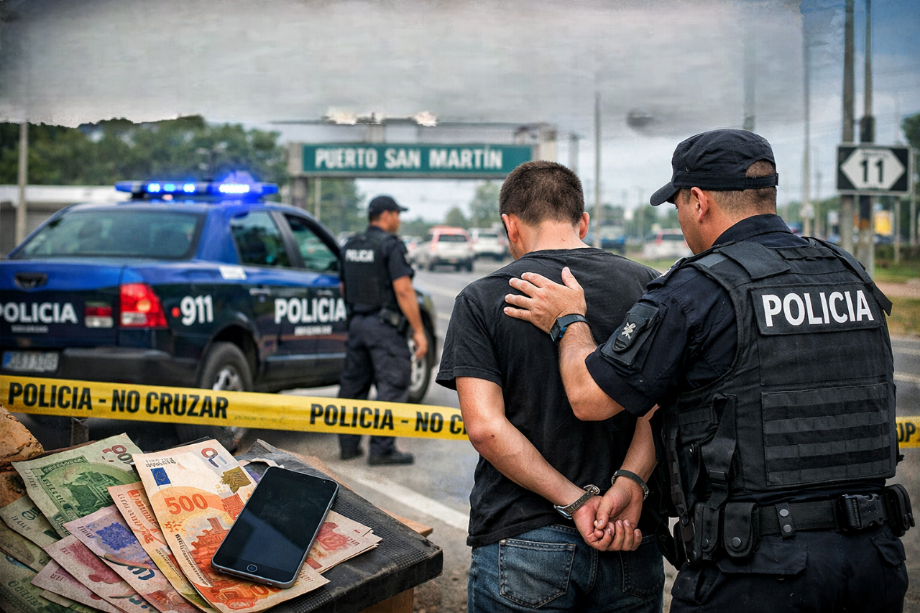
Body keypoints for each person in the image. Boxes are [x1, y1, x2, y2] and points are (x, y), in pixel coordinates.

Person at [503, 129, 913, 612]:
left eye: (677, 206)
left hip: (759, 571)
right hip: (874, 559)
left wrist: (569, 320)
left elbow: (589, 396)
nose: (680, 222)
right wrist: (634, 482)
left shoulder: (700, 288)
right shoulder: (849, 274)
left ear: (698, 201)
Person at [436, 161, 665, 613]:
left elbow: (485, 428)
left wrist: (577, 502)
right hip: (628, 535)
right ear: (582, 221)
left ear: (510, 225)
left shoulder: (482, 298)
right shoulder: (649, 286)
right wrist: (629, 481)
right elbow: (661, 406)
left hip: (522, 538)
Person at [338, 195, 428, 465]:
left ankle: (348, 446)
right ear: (386, 215)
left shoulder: (351, 245)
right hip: (384, 327)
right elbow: (403, 289)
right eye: (396, 214)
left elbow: (343, 288)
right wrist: (418, 331)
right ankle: (382, 450)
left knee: (353, 387)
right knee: (392, 385)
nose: (398, 219)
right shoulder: (390, 246)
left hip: (356, 324)